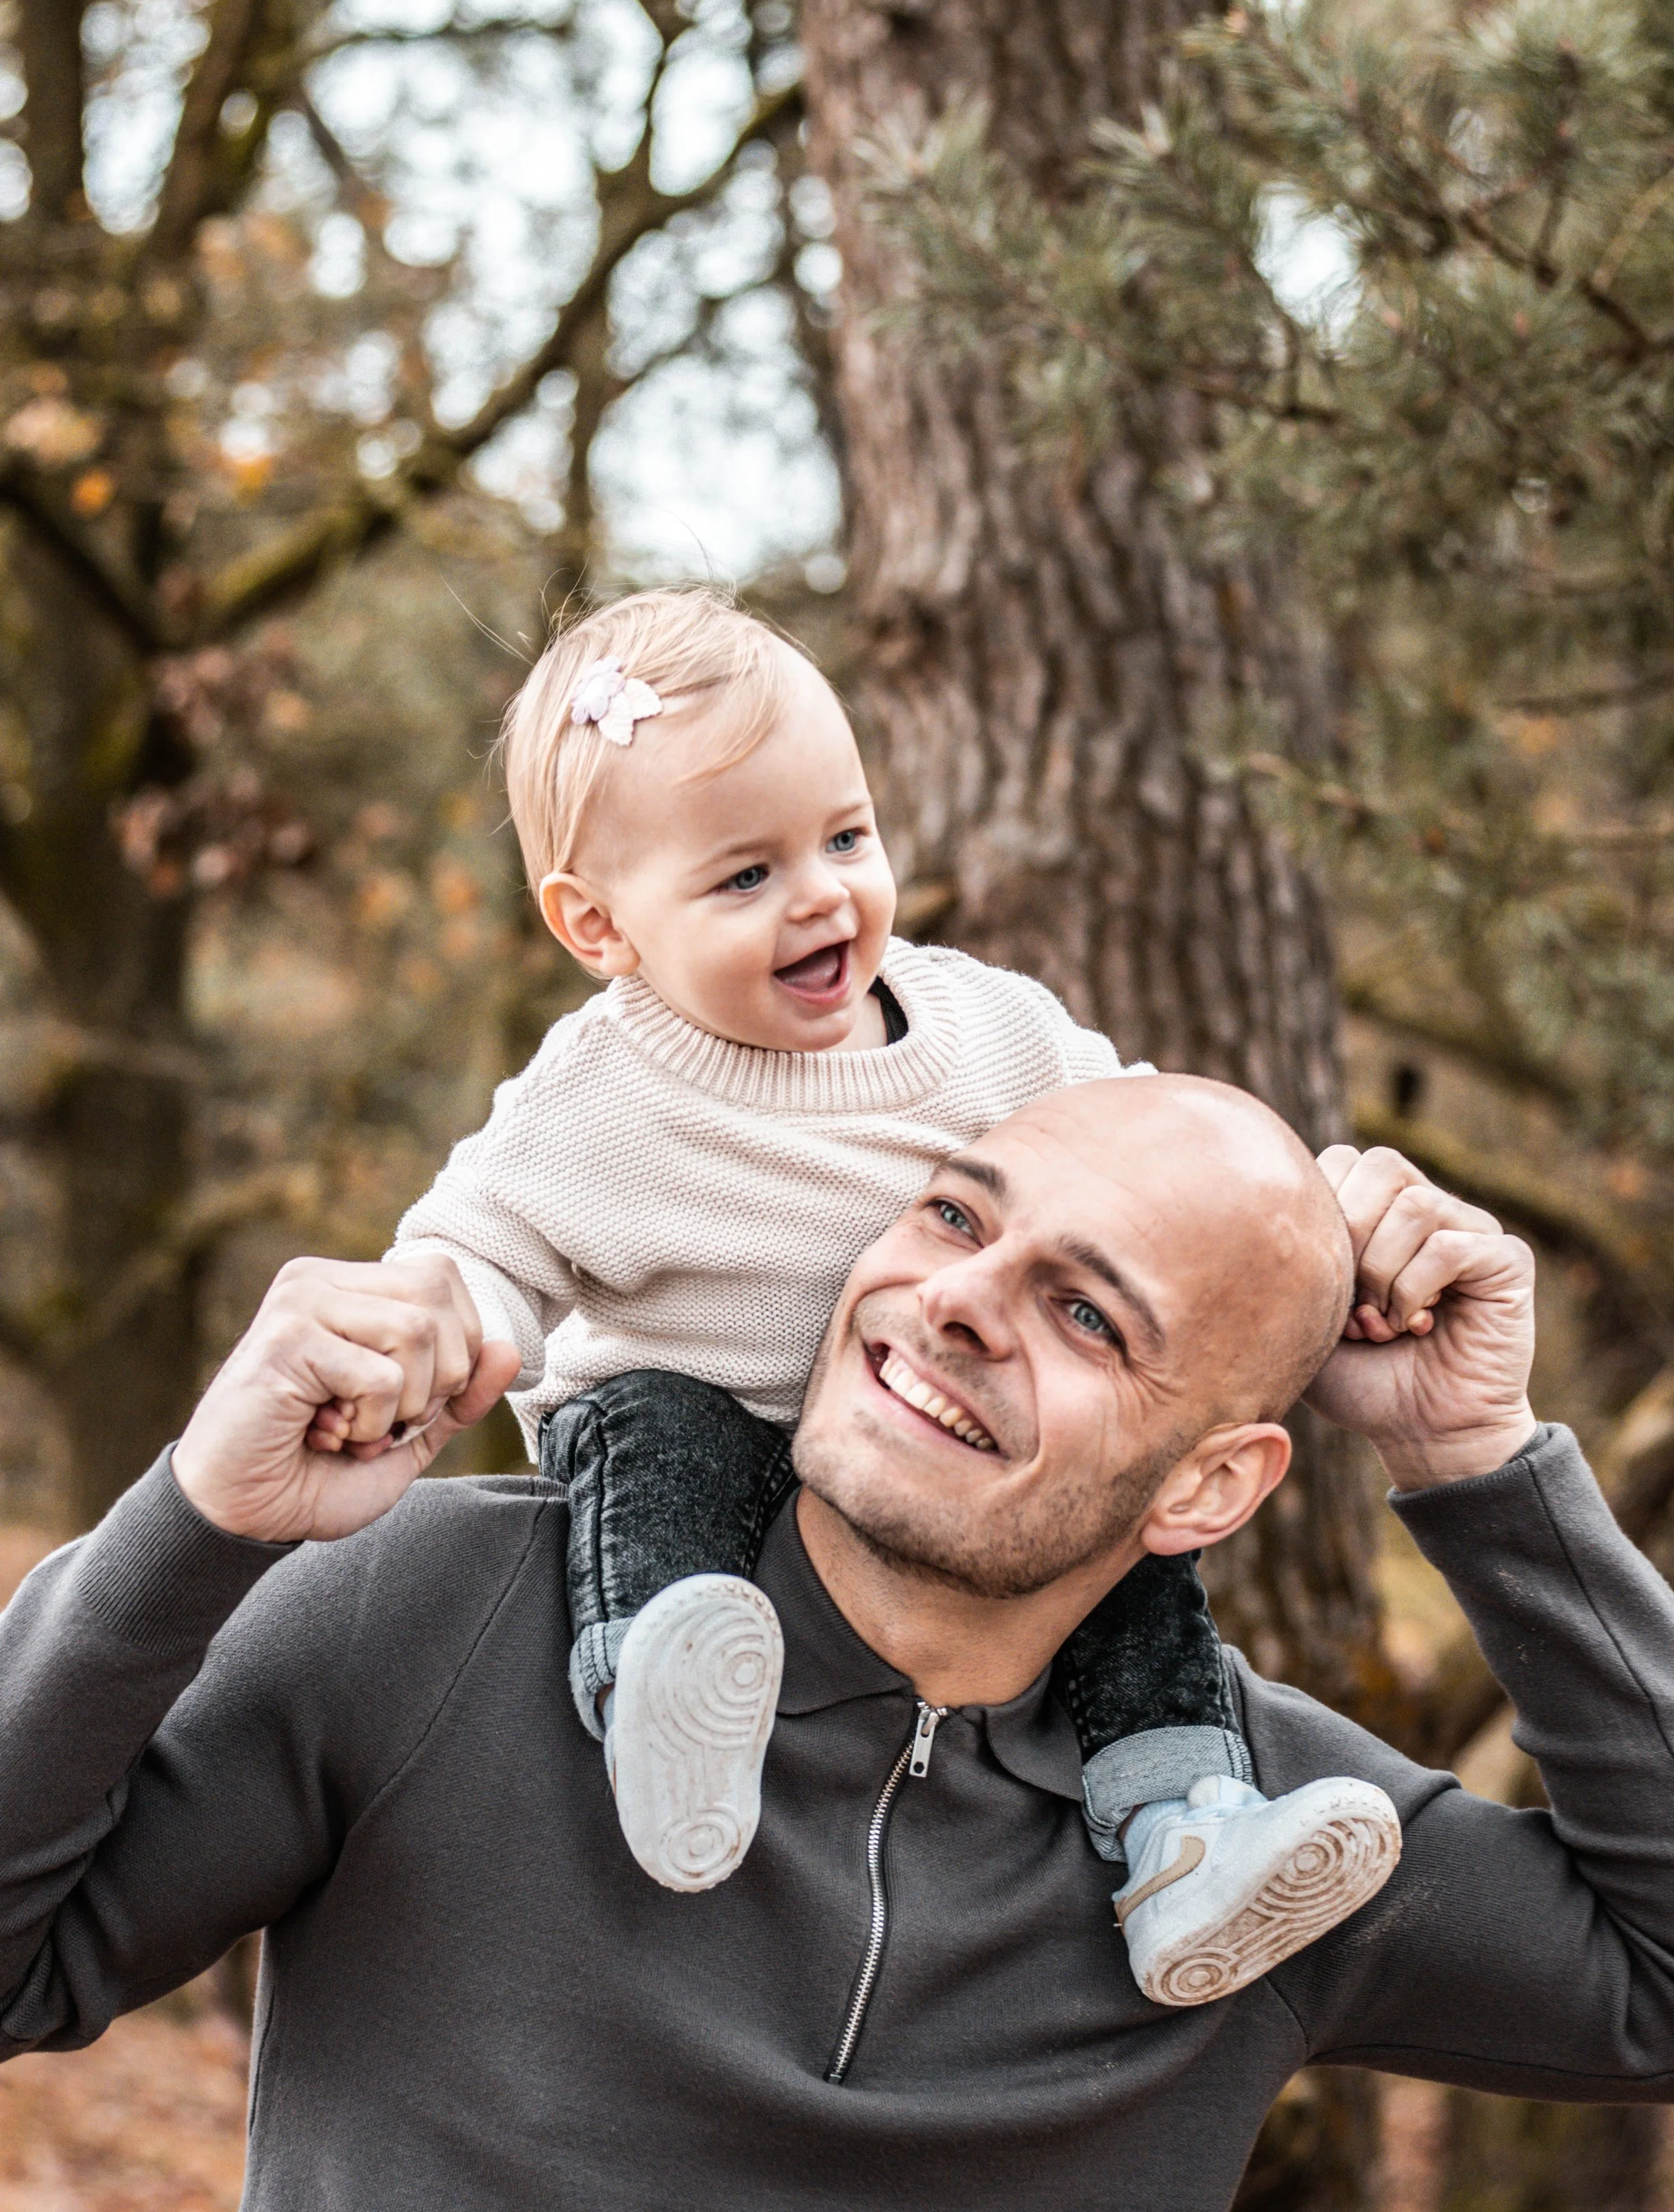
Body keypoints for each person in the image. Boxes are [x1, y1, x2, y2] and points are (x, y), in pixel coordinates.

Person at [3, 1079, 1673, 2212]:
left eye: (1087, 1316)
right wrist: (196, 1521)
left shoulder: (1251, 1839)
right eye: (952, 1215)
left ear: (1208, 1487)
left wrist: (1476, 1462)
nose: (956, 1299)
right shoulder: (434, 1613)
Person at [360, 585, 1396, 2004]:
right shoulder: (602, 1094)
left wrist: (1325, 1236)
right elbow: (476, 1243)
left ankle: (1182, 1832)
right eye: (744, 877)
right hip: (697, 1435)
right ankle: (666, 1711)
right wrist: (430, 1327)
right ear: (598, 925)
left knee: (1131, 1562)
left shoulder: (989, 1025)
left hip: (934, 1464)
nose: (821, 896)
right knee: (653, 1431)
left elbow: (1164, 1158)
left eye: (845, 838)